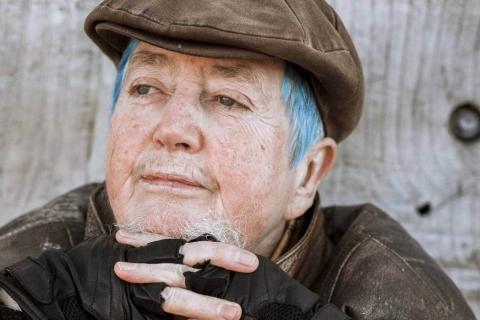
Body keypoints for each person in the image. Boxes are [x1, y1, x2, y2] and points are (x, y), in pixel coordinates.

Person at [0, 0, 475, 319]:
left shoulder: (402, 296)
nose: (172, 130)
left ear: (306, 174)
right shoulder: (22, 274)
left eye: (228, 99)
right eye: (146, 88)